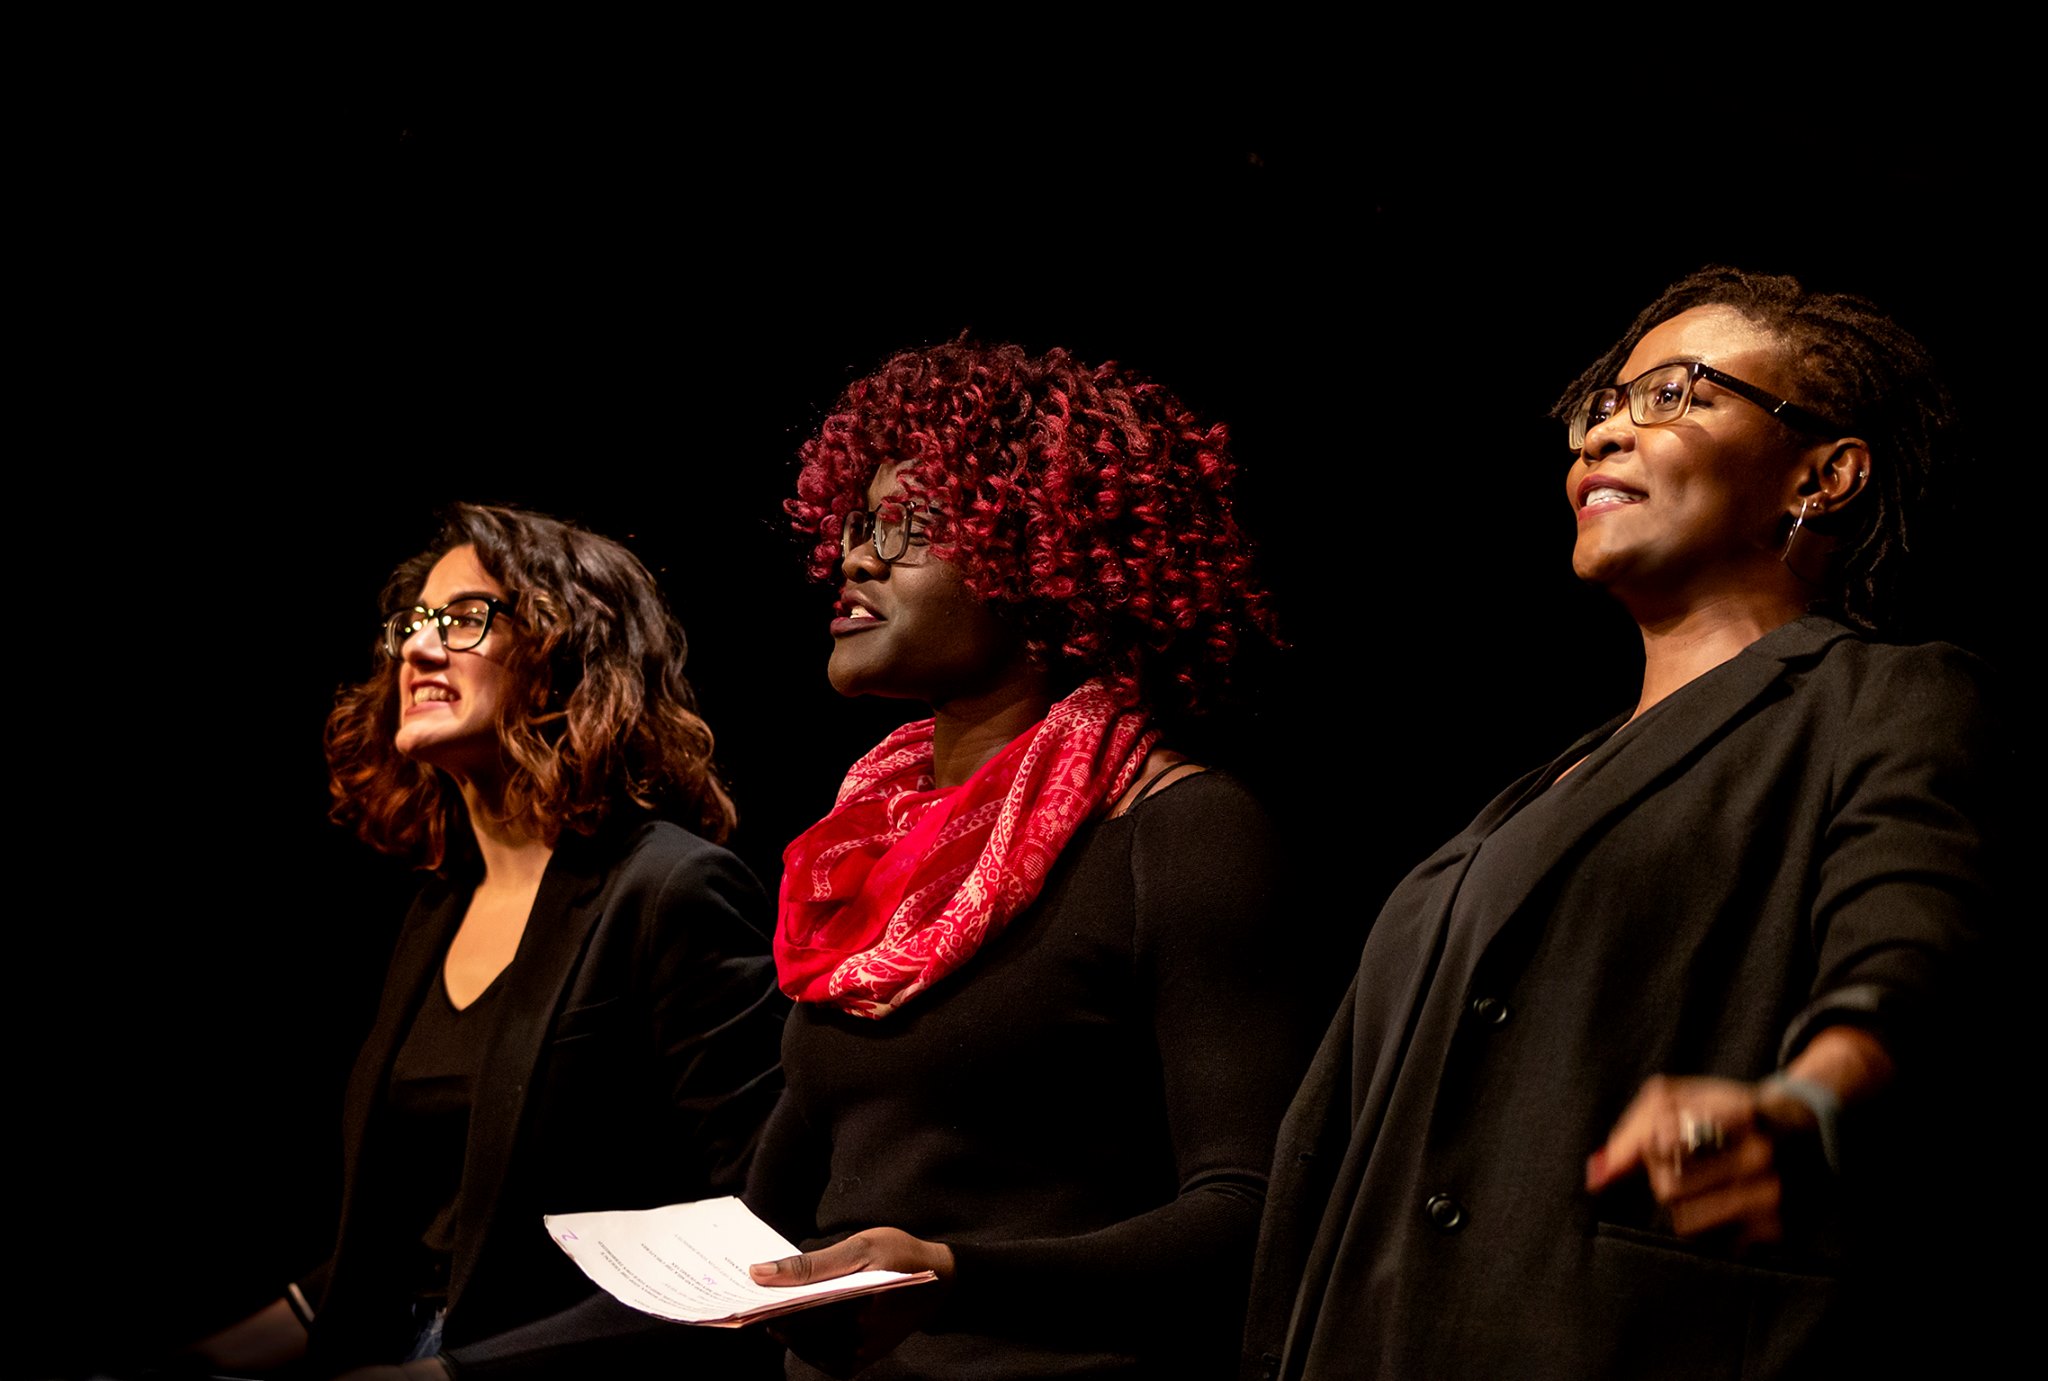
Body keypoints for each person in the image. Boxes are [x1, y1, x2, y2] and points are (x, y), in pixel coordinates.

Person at [1239, 268, 2002, 1380]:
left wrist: (1808, 1105)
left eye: (1674, 394)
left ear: (1823, 473)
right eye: (1602, 406)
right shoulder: (1544, 783)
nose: (1601, 434)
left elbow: (1910, 948)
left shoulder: (1882, 698)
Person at [742, 340, 1320, 1379]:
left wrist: (960, 1276)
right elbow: (785, 1204)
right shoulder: (871, 851)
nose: (857, 560)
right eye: (858, 526)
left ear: (1047, 562)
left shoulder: (1179, 831)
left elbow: (1254, 1210)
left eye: (911, 528)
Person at [196, 504, 785, 1379]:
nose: (419, 648)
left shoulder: (668, 888)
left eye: (466, 618)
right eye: (413, 623)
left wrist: (454, 1376)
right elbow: (406, 1249)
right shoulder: (439, 906)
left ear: (569, 653)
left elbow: (761, 1226)